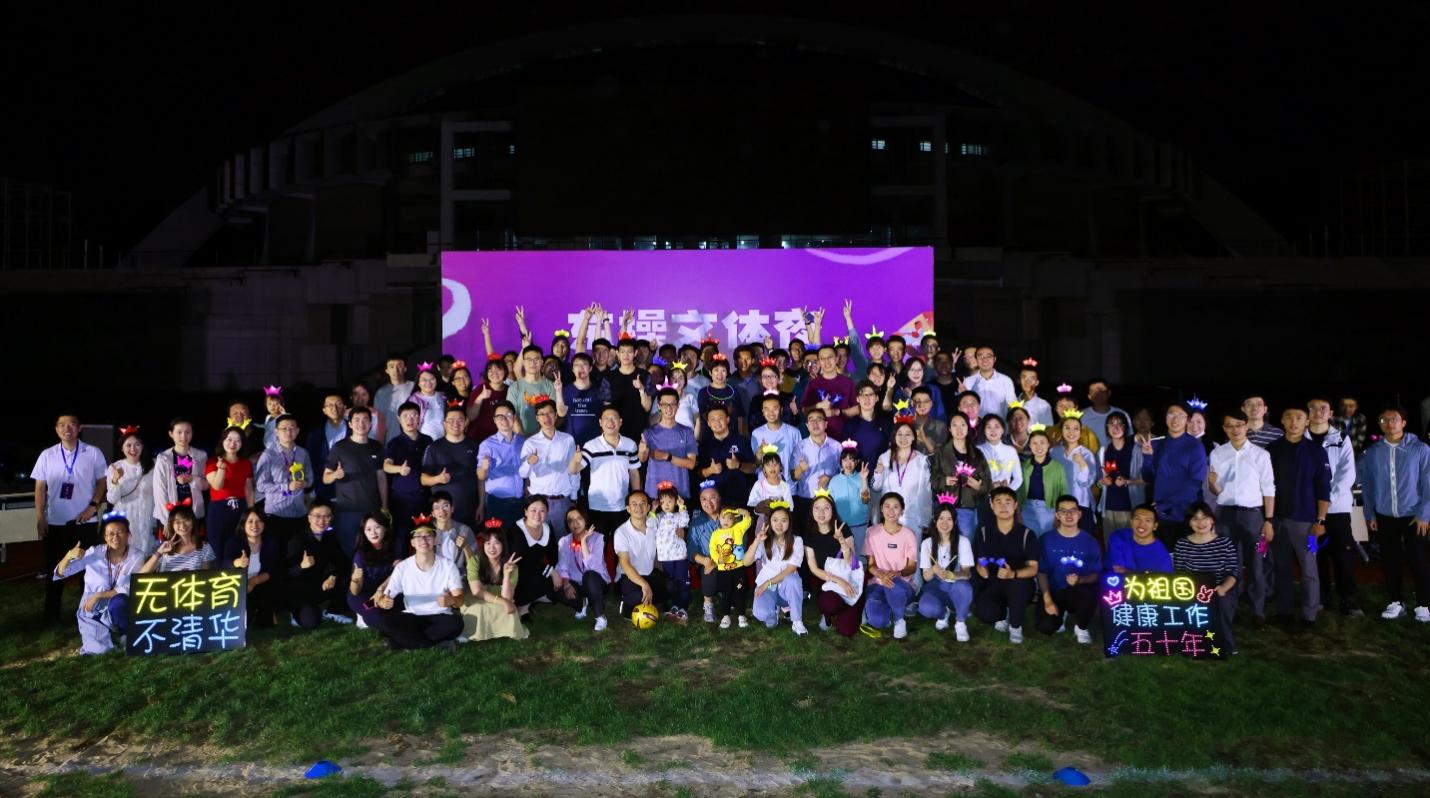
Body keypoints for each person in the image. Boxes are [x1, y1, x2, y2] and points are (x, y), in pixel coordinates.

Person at [34, 413, 109, 624]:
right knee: (55, 569)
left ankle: (89, 615)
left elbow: (102, 482)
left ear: (79, 428)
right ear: (56, 429)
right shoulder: (47, 455)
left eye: (72, 424)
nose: (67, 428)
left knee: (89, 572)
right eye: (62, 425)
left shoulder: (93, 452)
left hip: (85, 521)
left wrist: (93, 505)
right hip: (55, 521)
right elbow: (39, 488)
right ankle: (51, 617)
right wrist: (40, 517)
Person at [1359, 406, 1430, 622]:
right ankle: (1396, 602)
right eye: (1384, 419)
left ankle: (1423, 604)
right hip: (1384, 515)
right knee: (1390, 560)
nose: (1389, 423)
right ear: (1380, 424)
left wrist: (1424, 514)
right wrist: (1370, 514)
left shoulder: (1420, 449)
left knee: (1419, 560)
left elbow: (1428, 483)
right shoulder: (1373, 452)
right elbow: (1368, 485)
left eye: (1394, 419)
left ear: (1403, 423)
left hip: (1413, 516)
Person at [1206, 409, 1276, 626]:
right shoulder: (1217, 454)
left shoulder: (1260, 455)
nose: (1235, 429)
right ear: (1224, 429)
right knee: (1230, 564)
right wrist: (1212, 484)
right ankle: (1231, 607)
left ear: (1246, 426)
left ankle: (1258, 611)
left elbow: (1269, 488)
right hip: (1225, 515)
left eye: (1239, 425)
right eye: (1229, 425)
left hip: (1254, 516)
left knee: (1257, 562)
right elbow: (1216, 490)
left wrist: (1269, 520)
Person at [1265, 407, 1330, 628]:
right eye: (1289, 418)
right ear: (1282, 421)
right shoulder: (1272, 449)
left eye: (1299, 418)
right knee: (1281, 568)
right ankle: (1284, 612)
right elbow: (1266, 485)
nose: (1294, 422)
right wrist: (1268, 519)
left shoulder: (1316, 452)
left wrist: (1321, 520)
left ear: (1307, 421)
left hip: (1307, 523)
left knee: (1309, 570)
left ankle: (1309, 615)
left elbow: (1324, 488)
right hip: (1277, 520)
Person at [53, 512, 145, 654]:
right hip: (92, 606)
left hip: (116, 602)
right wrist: (69, 556)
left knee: (120, 601)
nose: (115, 537)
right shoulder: (94, 553)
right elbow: (61, 572)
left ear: (129, 535)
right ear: (105, 537)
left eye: (120, 532)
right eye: (111, 534)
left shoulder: (136, 556)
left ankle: (125, 634)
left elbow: (128, 587)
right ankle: (103, 633)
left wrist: (99, 595)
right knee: (99, 651)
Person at [1307, 398, 1361, 617]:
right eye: (1313, 408)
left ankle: (1348, 600)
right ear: (1307, 413)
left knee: (1343, 556)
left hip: (1338, 510)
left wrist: (1326, 499)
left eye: (1323, 408)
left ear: (1330, 413)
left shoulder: (1341, 438)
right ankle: (1320, 596)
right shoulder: (1300, 439)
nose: (1318, 412)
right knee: (1315, 554)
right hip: (1309, 512)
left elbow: (1347, 474)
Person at [370, 524, 465, 651]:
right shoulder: (402, 567)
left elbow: (460, 600)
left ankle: (401, 642)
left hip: (439, 616)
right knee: (384, 622)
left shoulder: (448, 565)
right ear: (413, 543)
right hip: (412, 616)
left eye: (428, 536)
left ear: (435, 540)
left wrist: (452, 600)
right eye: (419, 536)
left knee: (456, 624)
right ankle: (433, 644)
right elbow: (384, 598)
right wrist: (384, 603)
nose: (424, 540)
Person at [972, 487, 1040, 644]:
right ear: (992, 505)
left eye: (1008, 502)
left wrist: (1013, 574)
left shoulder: (1027, 534)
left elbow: (1033, 568)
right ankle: (1003, 614)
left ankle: (1016, 626)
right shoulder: (983, 532)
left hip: (1019, 583)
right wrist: (981, 568)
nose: (1003, 507)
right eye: (998, 502)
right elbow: (979, 559)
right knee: (986, 614)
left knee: (1017, 586)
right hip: (994, 583)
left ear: (1015, 505)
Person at [1174, 502, 1241, 654]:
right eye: (1195, 519)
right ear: (1189, 522)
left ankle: (1226, 643)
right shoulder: (1182, 544)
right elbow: (1180, 574)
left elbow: (1233, 573)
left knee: (1222, 603)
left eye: (1204, 517)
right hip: (1192, 591)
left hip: (1219, 590)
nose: (1201, 522)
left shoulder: (1225, 543)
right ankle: (1191, 642)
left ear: (1212, 520)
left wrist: (1223, 588)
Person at [1034, 496, 1102, 643]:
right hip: (1054, 590)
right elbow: (1042, 572)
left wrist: (1080, 580)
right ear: (1057, 515)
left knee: (1089, 593)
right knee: (1046, 627)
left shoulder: (1090, 541)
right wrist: (1048, 600)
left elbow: (1096, 574)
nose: (1069, 515)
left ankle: (1081, 627)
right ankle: (1060, 614)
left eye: (1073, 511)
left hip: (1079, 590)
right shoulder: (1046, 539)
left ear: (1080, 514)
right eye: (1064, 511)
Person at [1139, 403, 1208, 546]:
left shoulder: (1195, 446)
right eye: (1171, 414)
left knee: (1185, 556)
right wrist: (1147, 458)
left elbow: (1195, 483)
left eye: (1181, 415)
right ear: (1165, 417)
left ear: (1187, 420)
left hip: (1186, 513)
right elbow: (1148, 477)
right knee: (1162, 555)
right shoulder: (1156, 444)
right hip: (1160, 514)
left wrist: (1166, 504)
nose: (1175, 419)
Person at [323, 407, 387, 559]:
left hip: (372, 509)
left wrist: (385, 506)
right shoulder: (340, 447)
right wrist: (335, 475)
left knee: (372, 552)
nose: (361, 424)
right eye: (357, 420)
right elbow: (325, 478)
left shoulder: (377, 447)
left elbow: (381, 478)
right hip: (348, 510)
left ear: (370, 424)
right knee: (348, 551)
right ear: (350, 424)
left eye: (365, 420)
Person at [572, 406, 642, 540]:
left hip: (622, 505)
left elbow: (634, 473)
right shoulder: (591, 445)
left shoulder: (630, 445)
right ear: (600, 422)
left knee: (621, 546)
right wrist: (575, 461)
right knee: (598, 547)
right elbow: (573, 470)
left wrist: (636, 499)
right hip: (597, 506)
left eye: (614, 418)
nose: (610, 422)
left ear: (620, 422)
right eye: (606, 418)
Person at [283, 501, 352, 629]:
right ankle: (295, 612)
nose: (322, 520)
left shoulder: (329, 536)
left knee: (349, 574)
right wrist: (301, 566)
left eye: (327, 516)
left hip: (321, 585)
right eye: (318, 516)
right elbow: (286, 573)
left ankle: (332, 611)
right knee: (311, 623)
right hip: (300, 589)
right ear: (309, 518)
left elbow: (343, 562)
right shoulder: (297, 541)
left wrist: (333, 576)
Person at [802, 493, 863, 635]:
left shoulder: (842, 528)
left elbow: (851, 562)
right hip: (828, 580)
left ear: (833, 510)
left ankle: (854, 606)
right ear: (812, 511)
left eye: (826, 508)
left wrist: (842, 541)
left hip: (848, 578)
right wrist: (838, 580)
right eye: (817, 508)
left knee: (847, 630)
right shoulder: (809, 534)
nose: (821, 512)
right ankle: (828, 615)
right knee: (828, 604)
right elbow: (813, 568)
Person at [860, 492, 919, 639]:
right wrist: (881, 574)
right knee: (877, 621)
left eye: (895, 507)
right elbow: (871, 565)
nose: (891, 511)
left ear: (902, 510)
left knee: (893, 585)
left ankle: (899, 620)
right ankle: (894, 608)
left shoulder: (909, 534)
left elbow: (912, 567)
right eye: (887, 506)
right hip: (878, 582)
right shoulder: (872, 532)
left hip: (902, 583)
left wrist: (897, 573)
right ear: (881, 509)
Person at [743, 502, 808, 635]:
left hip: (785, 589)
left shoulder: (797, 541)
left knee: (792, 579)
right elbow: (746, 562)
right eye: (775, 520)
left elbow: (790, 569)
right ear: (770, 522)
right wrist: (756, 541)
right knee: (761, 614)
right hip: (769, 588)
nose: (779, 524)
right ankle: (773, 611)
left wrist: (767, 583)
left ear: (789, 522)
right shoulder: (764, 540)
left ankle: (797, 621)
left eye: (784, 520)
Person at [519, 398, 578, 538]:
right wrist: (529, 462)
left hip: (562, 501)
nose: (546, 417)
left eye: (550, 413)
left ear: (556, 415)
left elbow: (574, 470)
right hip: (538, 503)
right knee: (537, 542)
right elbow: (522, 473)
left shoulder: (567, 439)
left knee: (563, 542)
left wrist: (574, 497)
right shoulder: (530, 443)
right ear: (537, 418)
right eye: (542, 414)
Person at [459, 527, 530, 642]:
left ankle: (500, 631)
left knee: (509, 611)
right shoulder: (474, 562)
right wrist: (503, 602)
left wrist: (506, 575)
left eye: (496, 543)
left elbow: (507, 597)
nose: (492, 548)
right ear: (483, 545)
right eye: (488, 543)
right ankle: (470, 633)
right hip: (478, 598)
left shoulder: (512, 566)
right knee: (479, 609)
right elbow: (477, 591)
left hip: (501, 596)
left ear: (503, 545)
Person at [917, 502, 975, 641]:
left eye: (949, 519)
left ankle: (960, 623)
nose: (945, 523)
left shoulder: (963, 542)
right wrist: (933, 570)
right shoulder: (927, 544)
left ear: (955, 522)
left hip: (955, 585)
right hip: (936, 585)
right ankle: (943, 614)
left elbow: (967, 574)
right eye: (941, 518)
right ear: (935, 521)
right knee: (925, 607)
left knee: (964, 588)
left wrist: (952, 575)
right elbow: (926, 577)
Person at [383, 401, 432, 557]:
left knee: (425, 536)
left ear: (420, 418)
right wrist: (399, 469)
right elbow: (386, 466)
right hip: (402, 499)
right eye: (405, 416)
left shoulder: (427, 441)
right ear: (399, 419)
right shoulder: (394, 443)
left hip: (424, 497)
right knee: (401, 537)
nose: (410, 419)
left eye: (414, 415)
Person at [931, 414, 991, 538]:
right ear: (949, 429)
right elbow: (930, 480)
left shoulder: (977, 454)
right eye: (955, 425)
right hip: (945, 509)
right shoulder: (940, 452)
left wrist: (979, 486)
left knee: (966, 544)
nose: (959, 429)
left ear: (968, 428)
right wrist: (944, 481)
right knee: (944, 544)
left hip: (968, 509)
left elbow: (987, 482)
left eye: (963, 425)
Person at [203, 426, 255, 569]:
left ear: (242, 444)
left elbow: (249, 489)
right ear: (223, 441)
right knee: (216, 547)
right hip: (218, 509)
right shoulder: (212, 462)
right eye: (229, 439)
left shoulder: (246, 463)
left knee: (238, 544)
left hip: (240, 507)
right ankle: (215, 577)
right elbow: (217, 486)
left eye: (237, 441)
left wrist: (251, 511)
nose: (233, 443)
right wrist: (221, 469)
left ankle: (237, 576)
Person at [420, 407, 481, 528]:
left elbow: (481, 478)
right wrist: (438, 479)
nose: (455, 424)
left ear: (466, 422)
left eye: (460, 420)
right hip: (442, 512)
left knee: (467, 538)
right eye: (451, 420)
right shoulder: (434, 447)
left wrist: (481, 505)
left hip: (469, 508)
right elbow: (423, 479)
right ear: (444, 423)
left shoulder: (475, 446)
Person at [555, 506, 613, 631]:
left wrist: (583, 542)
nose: (575, 523)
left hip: (597, 582)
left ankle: (600, 616)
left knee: (589, 576)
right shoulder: (564, 541)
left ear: (585, 520)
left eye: (579, 519)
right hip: (577, 583)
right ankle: (582, 604)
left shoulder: (598, 538)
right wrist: (566, 585)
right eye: (570, 520)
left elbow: (594, 567)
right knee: (559, 590)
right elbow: (563, 566)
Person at [614, 490, 671, 616]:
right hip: (628, 576)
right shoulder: (621, 532)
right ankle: (626, 604)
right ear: (628, 509)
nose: (639, 508)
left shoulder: (654, 524)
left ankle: (653, 601)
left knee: (672, 587)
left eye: (642, 504)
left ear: (648, 507)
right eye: (634, 504)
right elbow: (625, 564)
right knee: (638, 595)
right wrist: (644, 585)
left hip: (649, 573)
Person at [223, 507, 281, 630]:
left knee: (264, 625)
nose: (255, 525)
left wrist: (253, 582)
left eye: (259, 521)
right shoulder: (234, 542)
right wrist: (237, 562)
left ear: (264, 524)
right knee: (240, 625)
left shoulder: (271, 542)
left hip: (261, 582)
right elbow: (225, 564)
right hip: (238, 585)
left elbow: (272, 570)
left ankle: (267, 612)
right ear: (243, 524)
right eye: (250, 521)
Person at [695, 405, 757, 511]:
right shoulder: (704, 445)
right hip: (715, 503)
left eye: (720, 418)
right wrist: (710, 470)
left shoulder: (741, 441)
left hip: (739, 498)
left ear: (727, 419)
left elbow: (753, 468)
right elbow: (698, 473)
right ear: (708, 423)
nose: (717, 422)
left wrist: (738, 465)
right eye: (713, 419)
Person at [873, 423, 933, 532]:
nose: (903, 438)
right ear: (894, 436)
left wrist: (925, 519)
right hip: (890, 516)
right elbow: (876, 487)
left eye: (907, 434)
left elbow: (926, 491)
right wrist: (878, 472)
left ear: (914, 437)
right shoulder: (885, 457)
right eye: (899, 434)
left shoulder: (921, 461)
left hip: (913, 517)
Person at [152, 417, 209, 531]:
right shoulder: (163, 458)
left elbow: (207, 485)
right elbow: (159, 491)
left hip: (194, 513)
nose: (183, 436)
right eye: (179, 432)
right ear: (171, 434)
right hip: (170, 514)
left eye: (187, 432)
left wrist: (192, 479)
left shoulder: (201, 456)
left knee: (194, 542)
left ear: (192, 433)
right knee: (171, 542)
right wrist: (167, 520)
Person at [642, 388, 699, 498]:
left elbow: (691, 464)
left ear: (678, 405)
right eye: (664, 404)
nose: (669, 408)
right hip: (654, 492)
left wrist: (667, 456)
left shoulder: (687, 432)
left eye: (672, 404)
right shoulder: (649, 432)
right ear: (658, 406)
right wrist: (642, 451)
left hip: (680, 492)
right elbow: (642, 458)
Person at [707, 506, 754, 628]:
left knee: (739, 591)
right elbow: (712, 549)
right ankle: (726, 615)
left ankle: (741, 615)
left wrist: (745, 513)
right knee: (726, 593)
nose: (726, 521)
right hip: (723, 571)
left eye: (730, 518)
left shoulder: (737, 529)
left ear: (734, 519)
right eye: (723, 517)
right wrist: (718, 559)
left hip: (738, 569)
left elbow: (747, 522)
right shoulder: (715, 534)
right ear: (718, 518)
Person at [649, 482, 691, 620]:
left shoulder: (679, 515)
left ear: (675, 501)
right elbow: (650, 525)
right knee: (670, 583)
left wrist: (682, 506)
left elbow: (685, 521)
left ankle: (683, 607)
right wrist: (653, 510)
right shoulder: (658, 517)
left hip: (679, 556)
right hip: (665, 557)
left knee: (682, 581)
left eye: (669, 501)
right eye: (662, 502)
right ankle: (674, 605)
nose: (666, 504)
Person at [347, 514, 397, 630]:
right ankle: (362, 614)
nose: (373, 532)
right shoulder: (360, 555)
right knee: (377, 618)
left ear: (385, 528)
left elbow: (398, 573)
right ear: (364, 533)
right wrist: (354, 579)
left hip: (384, 591)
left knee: (397, 610)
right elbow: (355, 591)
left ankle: (372, 610)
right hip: (364, 596)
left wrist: (380, 590)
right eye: (368, 529)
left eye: (377, 527)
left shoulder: (395, 547)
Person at [1097, 413, 1144, 534]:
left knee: (1129, 542)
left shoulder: (1135, 449)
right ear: (1107, 428)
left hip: (1130, 506)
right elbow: (1099, 481)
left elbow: (1147, 479)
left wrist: (1127, 481)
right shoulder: (1104, 451)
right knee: (1110, 542)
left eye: (1119, 424)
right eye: (1111, 424)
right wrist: (1102, 482)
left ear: (1126, 427)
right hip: (1109, 507)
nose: (1115, 428)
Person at [1050, 415, 1097, 534]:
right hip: (1059, 505)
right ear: (1061, 430)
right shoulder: (1054, 452)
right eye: (1067, 428)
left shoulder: (1086, 454)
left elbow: (1088, 482)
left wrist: (1082, 464)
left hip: (1081, 503)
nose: (1071, 432)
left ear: (1081, 432)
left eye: (1076, 428)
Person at [793, 408, 842, 520]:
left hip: (830, 498)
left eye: (819, 419)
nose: (815, 423)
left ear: (826, 424)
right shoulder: (800, 447)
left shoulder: (837, 447)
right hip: (807, 499)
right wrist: (800, 469)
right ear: (807, 425)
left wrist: (830, 478)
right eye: (811, 420)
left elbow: (844, 474)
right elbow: (793, 477)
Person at [1017, 429, 1067, 537]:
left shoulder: (1057, 467)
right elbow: (1018, 491)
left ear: (1048, 445)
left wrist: (1059, 515)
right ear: (1030, 446)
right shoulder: (1024, 466)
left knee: (1047, 541)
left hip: (1049, 510)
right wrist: (1018, 513)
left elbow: (1063, 492)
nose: (1038, 446)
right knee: (1029, 541)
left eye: (1042, 442)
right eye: (1034, 443)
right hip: (1027, 509)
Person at [140, 506, 215, 573]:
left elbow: (206, 578)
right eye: (178, 522)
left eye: (186, 520)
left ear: (193, 522)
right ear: (172, 525)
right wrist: (159, 552)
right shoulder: (164, 548)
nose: (182, 525)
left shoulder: (204, 547)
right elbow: (142, 574)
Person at [607, 333, 654, 440]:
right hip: (616, 430)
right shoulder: (609, 377)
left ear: (635, 353)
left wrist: (641, 389)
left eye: (629, 352)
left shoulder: (645, 375)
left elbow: (647, 407)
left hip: (639, 429)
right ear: (617, 353)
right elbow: (606, 407)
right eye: (622, 352)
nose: (626, 355)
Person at [827, 443, 872, 554]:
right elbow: (830, 505)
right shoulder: (834, 481)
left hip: (859, 524)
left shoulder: (861, 477)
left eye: (852, 460)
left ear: (857, 462)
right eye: (845, 460)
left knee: (859, 555)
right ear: (841, 461)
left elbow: (865, 500)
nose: (848, 463)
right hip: (841, 526)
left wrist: (864, 480)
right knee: (843, 556)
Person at [750, 391, 803, 484]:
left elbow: (799, 461)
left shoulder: (794, 432)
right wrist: (759, 453)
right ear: (763, 412)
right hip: (765, 487)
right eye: (766, 409)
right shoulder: (756, 434)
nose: (771, 412)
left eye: (775, 408)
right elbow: (754, 466)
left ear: (781, 410)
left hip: (789, 486)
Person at [1106, 504, 1174, 573]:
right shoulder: (1118, 537)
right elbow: (1116, 570)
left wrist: (1128, 571)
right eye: (1137, 519)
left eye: (1147, 520)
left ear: (1155, 526)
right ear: (1131, 521)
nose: (1141, 524)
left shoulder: (1162, 556)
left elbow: (1164, 578)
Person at [506, 345, 557, 436]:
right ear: (523, 363)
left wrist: (538, 437)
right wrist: (522, 436)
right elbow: (510, 413)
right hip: (520, 437)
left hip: (545, 437)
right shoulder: (514, 387)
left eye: (536, 359)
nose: (533, 363)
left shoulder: (551, 386)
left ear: (542, 362)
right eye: (529, 360)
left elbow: (554, 414)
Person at [306, 394, 348, 503]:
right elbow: (311, 462)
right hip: (323, 490)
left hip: (350, 489)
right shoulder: (315, 434)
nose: (334, 408)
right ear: (324, 410)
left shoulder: (354, 431)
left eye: (338, 404)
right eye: (330, 405)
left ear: (345, 408)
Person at [844, 380, 893, 465]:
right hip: (858, 471)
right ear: (857, 399)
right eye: (863, 395)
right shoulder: (850, 425)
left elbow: (892, 448)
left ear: (877, 398)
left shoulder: (886, 422)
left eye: (870, 394)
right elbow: (846, 455)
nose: (867, 398)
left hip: (882, 471)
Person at [963, 347, 1017, 421]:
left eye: (988, 356)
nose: (985, 359)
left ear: (994, 359)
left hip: (1000, 426)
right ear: (976, 360)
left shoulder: (1005, 380)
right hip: (978, 426)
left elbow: (1013, 405)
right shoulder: (968, 381)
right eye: (980, 356)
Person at [467, 357, 510, 443]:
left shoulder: (510, 390)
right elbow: (470, 416)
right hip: (479, 439)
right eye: (490, 370)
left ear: (505, 371)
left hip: (502, 440)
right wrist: (480, 398)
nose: (494, 373)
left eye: (498, 369)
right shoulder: (480, 389)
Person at [374, 354, 413, 443]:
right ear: (387, 370)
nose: (396, 370)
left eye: (399, 366)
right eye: (391, 367)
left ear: (405, 368)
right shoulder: (381, 393)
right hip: (389, 439)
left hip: (412, 439)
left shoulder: (414, 387)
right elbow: (378, 420)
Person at [1080, 379, 1126, 452]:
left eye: (1101, 390)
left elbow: (1129, 438)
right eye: (1094, 391)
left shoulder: (1122, 413)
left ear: (1109, 393)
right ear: (1089, 396)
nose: (1098, 394)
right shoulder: (1081, 415)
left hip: (1116, 457)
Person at [1014, 361, 1054, 428]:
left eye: (1032, 378)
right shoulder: (1012, 402)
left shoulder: (1043, 406)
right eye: (1024, 377)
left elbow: (1047, 429)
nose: (1027, 381)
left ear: (1037, 382)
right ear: (1019, 380)